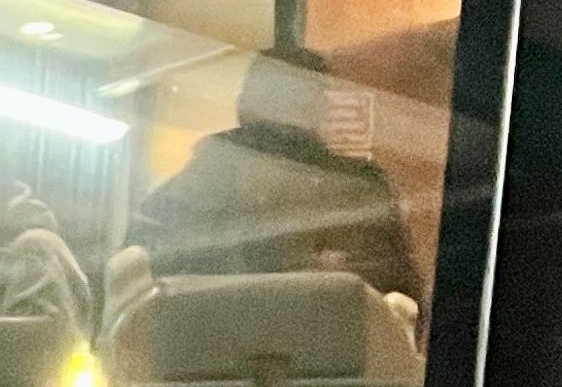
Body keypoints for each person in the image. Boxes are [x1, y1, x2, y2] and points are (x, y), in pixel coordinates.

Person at [131, 44, 419, 307]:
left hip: (201, 361)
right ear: (318, 110)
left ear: (241, 106)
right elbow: (401, 310)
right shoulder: (357, 193)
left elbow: (130, 314)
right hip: (324, 361)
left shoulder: (175, 199)